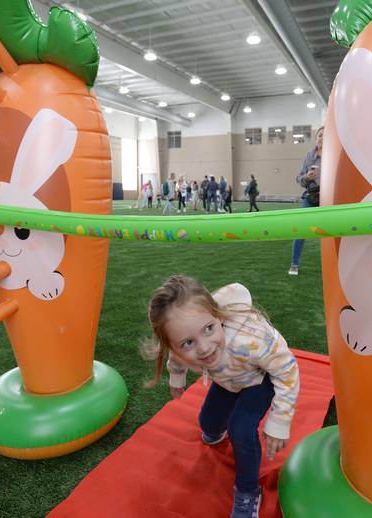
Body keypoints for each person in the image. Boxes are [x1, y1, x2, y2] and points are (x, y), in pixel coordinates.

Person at [145, 276, 300, 518]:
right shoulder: (180, 345)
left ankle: (248, 493)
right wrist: (177, 378)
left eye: (209, 329)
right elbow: (175, 358)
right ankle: (217, 426)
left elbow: (287, 370)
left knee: (241, 430)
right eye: (188, 343)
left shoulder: (250, 341)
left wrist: (279, 421)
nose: (205, 347)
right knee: (208, 425)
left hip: (259, 378)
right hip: (227, 378)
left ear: (217, 316)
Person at [288, 126, 323, 275]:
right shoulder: (309, 155)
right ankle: (294, 264)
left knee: (335, 230)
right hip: (311, 196)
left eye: (327, 135)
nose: (323, 137)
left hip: (330, 199)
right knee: (300, 230)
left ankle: (337, 263)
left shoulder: (335, 154)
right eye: (320, 135)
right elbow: (299, 179)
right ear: (316, 138)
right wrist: (307, 177)